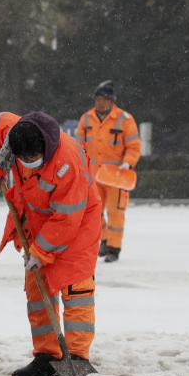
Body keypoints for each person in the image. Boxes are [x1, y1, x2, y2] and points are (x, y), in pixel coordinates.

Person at [0, 111, 101, 376]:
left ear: (45, 149)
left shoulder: (66, 163)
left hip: (78, 219)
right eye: (21, 159)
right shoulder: (14, 132)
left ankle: (76, 356)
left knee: (76, 286)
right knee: (37, 287)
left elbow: (66, 218)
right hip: (37, 217)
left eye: (30, 159)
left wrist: (41, 252)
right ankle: (47, 356)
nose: (25, 163)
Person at [75, 81, 142, 262]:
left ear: (112, 101)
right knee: (93, 213)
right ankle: (104, 240)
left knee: (116, 213)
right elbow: (78, 147)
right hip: (93, 176)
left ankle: (113, 248)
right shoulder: (86, 119)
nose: (101, 102)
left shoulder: (125, 120)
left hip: (116, 177)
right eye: (98, 98)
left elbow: (134, 147)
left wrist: (127, 163)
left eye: (105, 99)